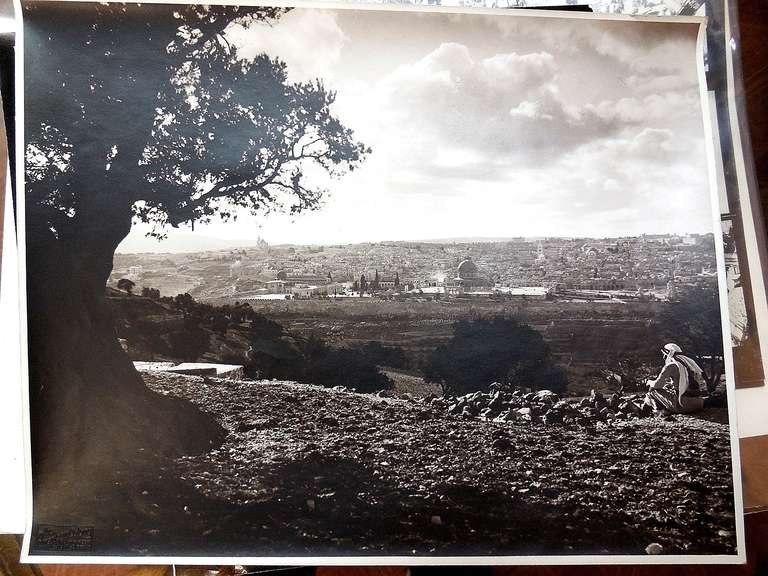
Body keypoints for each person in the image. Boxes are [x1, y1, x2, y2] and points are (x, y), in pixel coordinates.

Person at [644, 342, 706, 415]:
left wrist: (649, 381)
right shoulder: (689, 363)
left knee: (652, 390)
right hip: (699, 403)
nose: (663, 357)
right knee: (666, 387)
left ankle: (659, 411)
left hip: (682, 405)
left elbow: (657, 385)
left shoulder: (671, 366)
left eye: (664, 354)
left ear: (667, 354)